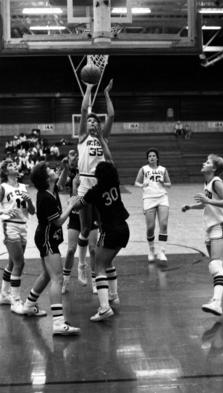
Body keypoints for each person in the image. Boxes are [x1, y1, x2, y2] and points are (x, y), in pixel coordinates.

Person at [182, 154, 223, 316]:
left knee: (214, 264)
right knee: (221, 266)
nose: (203, 163)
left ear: (214, 168)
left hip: (221, 226)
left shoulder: (216, 182)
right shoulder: (207, 183)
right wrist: (191, 206)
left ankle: (216, 302)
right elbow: (206, 203)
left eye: (207, 162)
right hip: (210, 228)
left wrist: (208, 201)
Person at [75, 128, 129, 322]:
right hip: (124, 229)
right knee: (107, 262)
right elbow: (109, 158)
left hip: (111, 230)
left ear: (97, 175)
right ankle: (114, 295)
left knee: (98, 265)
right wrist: (102, 140)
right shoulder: (114, 181)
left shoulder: (94, 191)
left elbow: (78, 205)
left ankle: (105, 307)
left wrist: (72, 201)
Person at [22, 161, 80, 335]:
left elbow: (61, 183)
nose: (53, 170)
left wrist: (65, 169)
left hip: (46, 237)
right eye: (50, 170)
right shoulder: (45, 197)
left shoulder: (50, 189)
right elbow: (59, 221)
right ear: (46, 178)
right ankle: (58, 323)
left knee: (47, 275)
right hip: (47, 239)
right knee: (58, 278)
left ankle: (29, 305)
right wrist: (71, 205)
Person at [77, 79, 114, 287]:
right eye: (89, 121)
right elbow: (83, 111)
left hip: (101, 186)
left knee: (103, 226)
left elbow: (112, 115)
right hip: (84, 184)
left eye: (94, 121)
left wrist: (107, 95)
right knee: (84, 228)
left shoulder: (103, 137)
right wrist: (90, 88)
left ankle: (98, 266)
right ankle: (81, 264)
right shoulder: (82, 137)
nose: (91, 123)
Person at [0, 158, 35, 313]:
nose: (15, 166)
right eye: (11, 165)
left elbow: (32, 212)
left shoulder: (23, 186)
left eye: (15, 164)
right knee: (20, 263)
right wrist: (5, 212)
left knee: (13, 264)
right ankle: (16, 301)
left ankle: (4, 295)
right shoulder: (3, 187)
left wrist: (30, 203)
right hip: (11, 226)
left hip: (23, 227)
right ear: (6, 171)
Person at [61, 150, 98, 295]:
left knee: (93, 249)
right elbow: (62, 186)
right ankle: (65, 281)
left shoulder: (91, 171)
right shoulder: (71, 174)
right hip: (76, 215)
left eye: (78, 155)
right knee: (71, 250)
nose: (76, 157)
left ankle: (95, 282)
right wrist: (67, 165)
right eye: (73, 155)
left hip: (91, 212)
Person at [134, 148, 171, 262]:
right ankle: (151, 250)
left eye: (153, 155)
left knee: (163, 224)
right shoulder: (144, 169)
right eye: (149, 156)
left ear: (157, 157)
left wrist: (163, 183)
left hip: (162, 198)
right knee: (150, 227)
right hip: (149, 198)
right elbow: (136, 183)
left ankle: (161, 251)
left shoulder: (163, 169)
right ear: (147, 158)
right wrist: (142, 185)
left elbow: (169, 184)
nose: (152, 157)